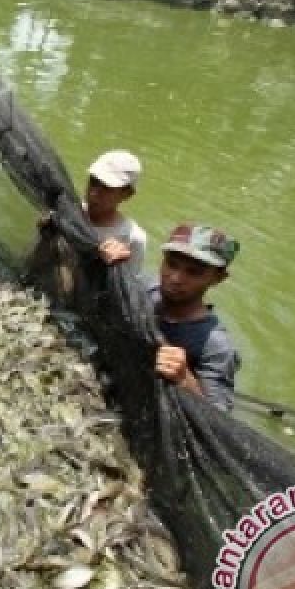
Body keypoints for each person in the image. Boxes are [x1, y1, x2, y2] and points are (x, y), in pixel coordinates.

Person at [152, 223, 241, 412]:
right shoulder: (141, 291)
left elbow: (219, 423)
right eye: (171, 264)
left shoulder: (216, 347)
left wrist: (185, 380)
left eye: (193, 272)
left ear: (218, 278)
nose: (175, 278)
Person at [84, 149, 147, 274]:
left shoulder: (132, 238)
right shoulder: (69, 212)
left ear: (127, 194)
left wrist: (116, 266)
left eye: (106, 188)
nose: (93, 193)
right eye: (93, 182)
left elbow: (128, 288)